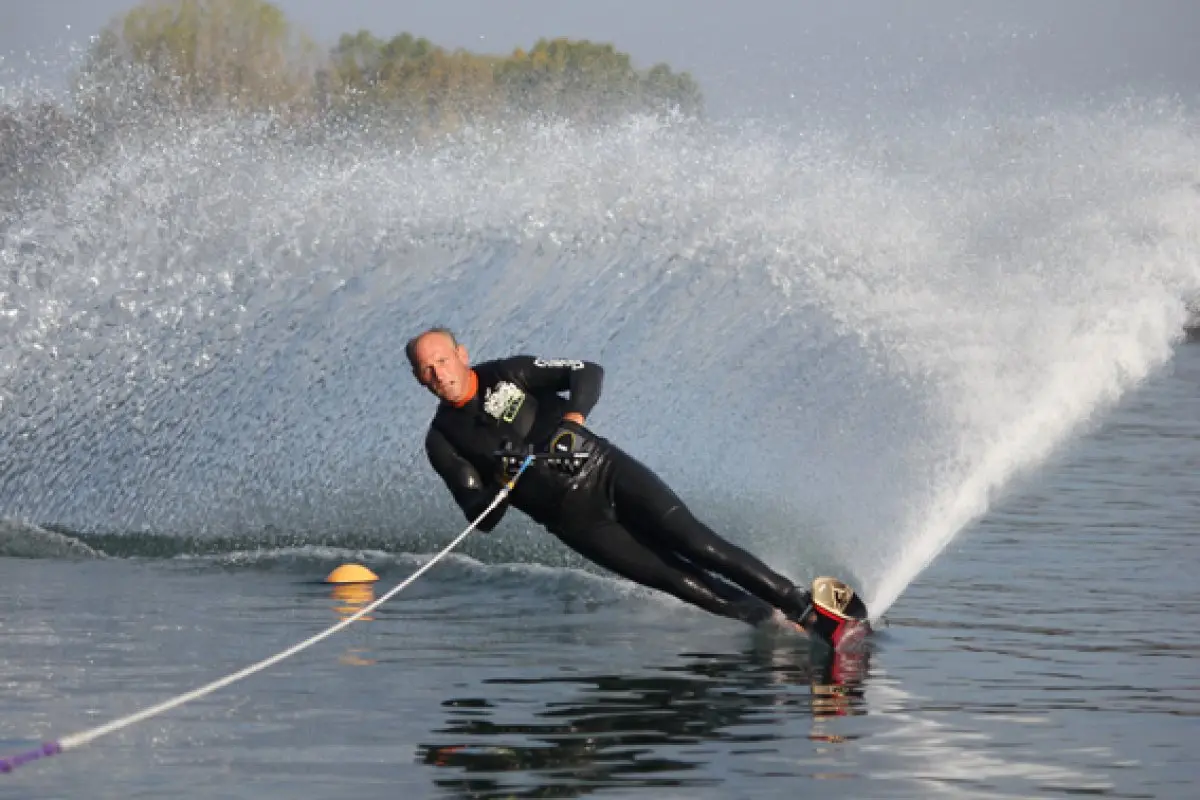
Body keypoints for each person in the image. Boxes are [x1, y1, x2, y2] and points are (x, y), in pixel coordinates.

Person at [407, 326, 868, 642]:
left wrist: (572, 420)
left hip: (606, 471)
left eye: (443, 360)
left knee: (697, 543)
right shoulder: (444, 440)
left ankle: (806, 608)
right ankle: (777, 626)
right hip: (577, 522)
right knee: (681, 582)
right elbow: (480, 517)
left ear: (461, 355)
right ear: (419, 379)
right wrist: (504, 477)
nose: (439, 374)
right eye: (427, 370)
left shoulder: (508, 372)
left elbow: (586, 370)